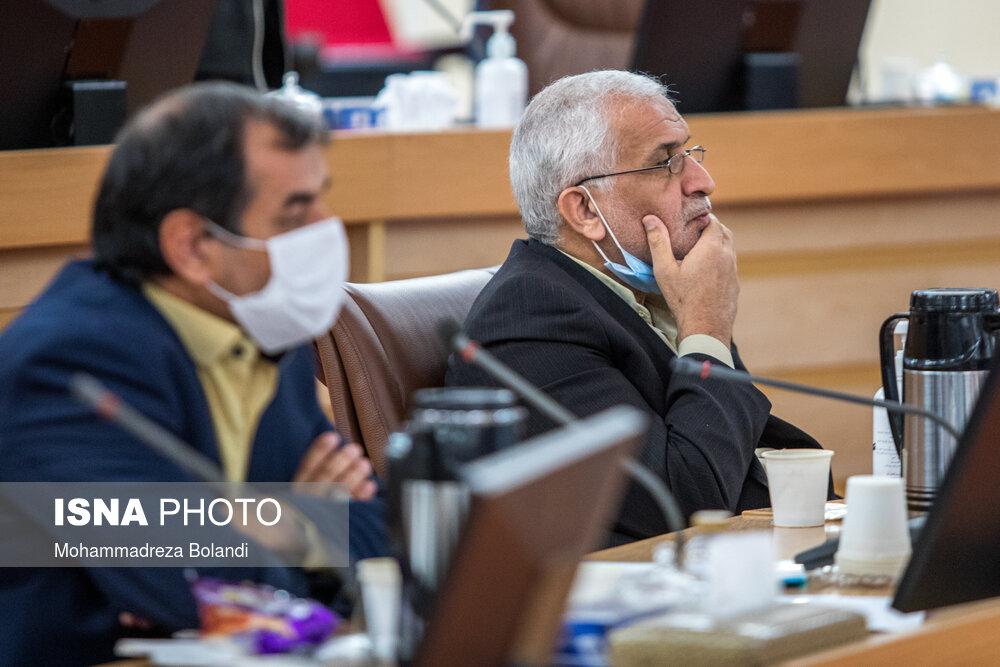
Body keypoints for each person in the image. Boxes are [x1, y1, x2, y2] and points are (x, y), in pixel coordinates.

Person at [0, 82, 386, 665]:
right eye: (295, 212)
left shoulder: (260, 328)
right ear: (192, 246)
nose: (326, 227)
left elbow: (377, 536)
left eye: (320, 201)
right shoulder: (68, 366)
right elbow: (201, 588)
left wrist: (270, 529)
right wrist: (298, 529)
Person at [445, 70, 828, 546]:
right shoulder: (530, 320)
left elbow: (743, 456)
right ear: (585, 210)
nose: (703, 181)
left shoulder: (652, 288)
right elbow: (686, 506)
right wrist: (707, 327)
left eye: (689, 153)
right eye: (666, 163)